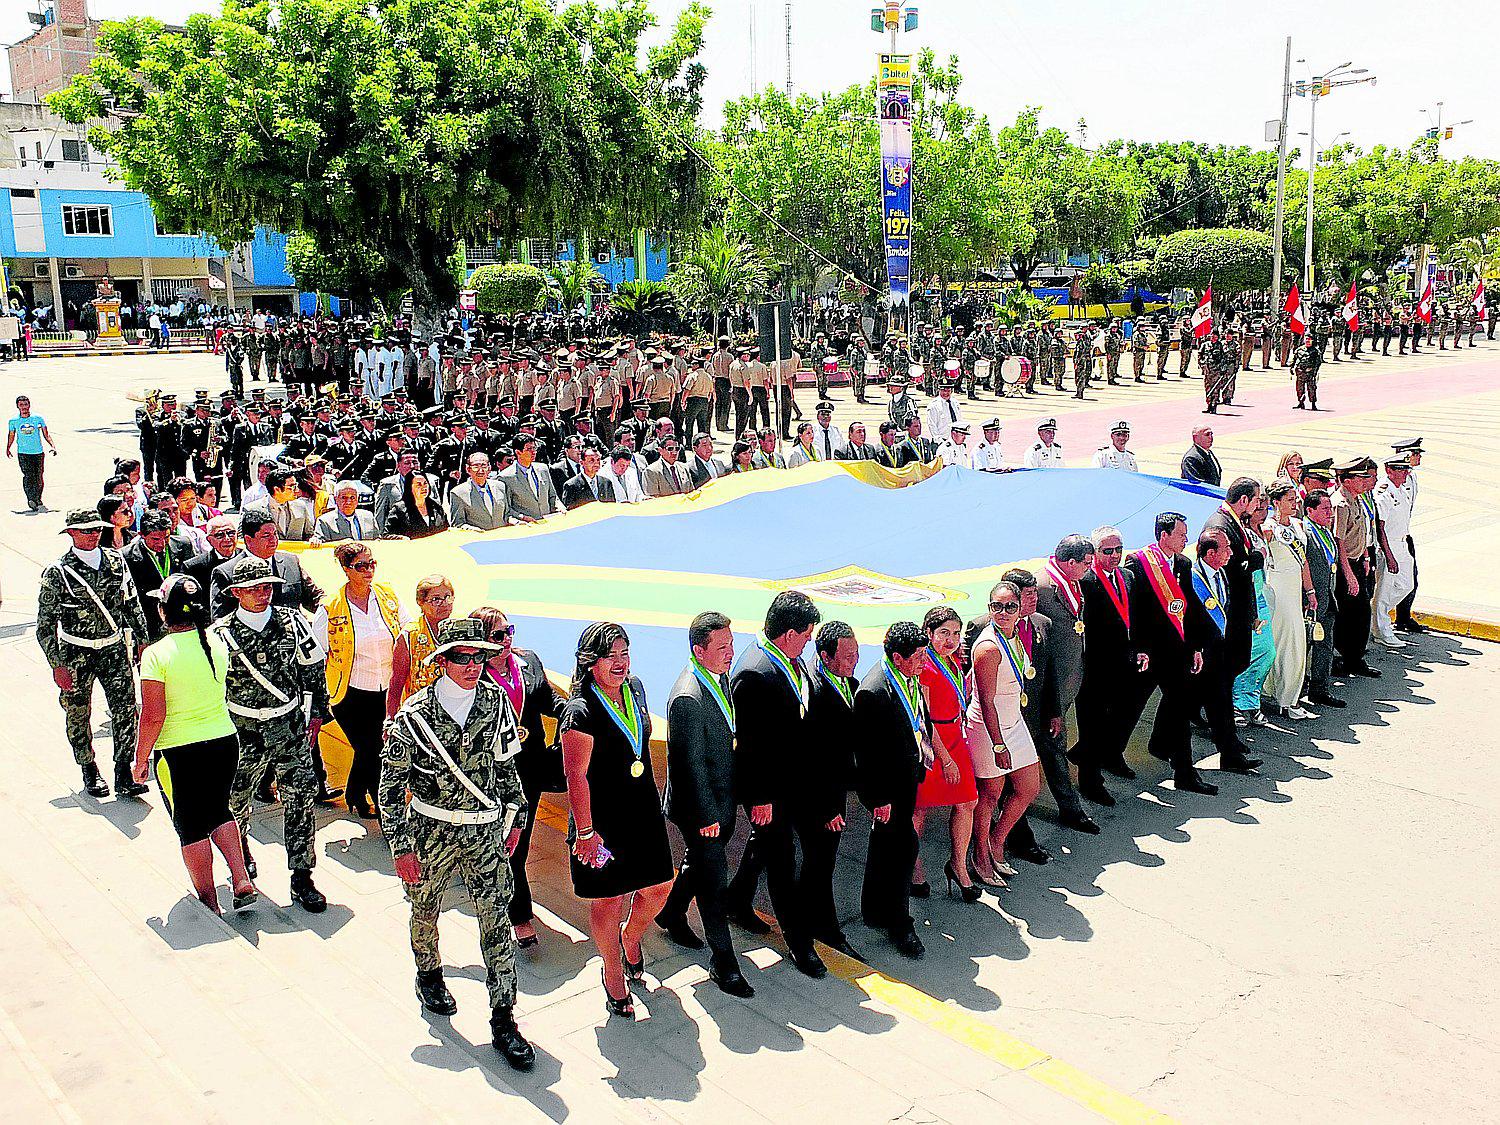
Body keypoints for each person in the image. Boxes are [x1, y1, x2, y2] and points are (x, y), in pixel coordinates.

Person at [380, 618, 534, 1070]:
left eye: (480, 657)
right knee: (424, 908)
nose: (473, 665)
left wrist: (517, 818)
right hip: (430, 831)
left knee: (495, 919)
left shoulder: (497, 704)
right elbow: (391, 788)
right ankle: (429, 973)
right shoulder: (413, 717)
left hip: (484, 831)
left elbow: (507, 769)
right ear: (443, 661)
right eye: (462, 657)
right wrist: (401, 847)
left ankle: (504, 1016)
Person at [560, 622, 676, 1018]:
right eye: (611, 656)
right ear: (590, 663)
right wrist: (587, 833)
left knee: (661, 886)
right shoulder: (580, 711)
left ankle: (632, 936)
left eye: (625, 654)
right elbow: (575, 775)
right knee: (610, 900)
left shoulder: (637, 688)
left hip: (641, 811)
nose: (621, 663)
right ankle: (612, 969)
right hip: (602, 821)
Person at [133, 574, 257, 914]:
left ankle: (210, 903)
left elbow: (153, 716)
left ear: (164, 612)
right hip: (223, 742)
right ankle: (240, 876)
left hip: (178, 751)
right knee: (219, 810)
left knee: (190, 827)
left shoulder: (156, 655)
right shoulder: (217, 642)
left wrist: (140, 758)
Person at [212, 558, 331, 912]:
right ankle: (241, 856)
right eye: (253, 589)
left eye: (267, 587)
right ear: (236, 593)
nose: (262, 594)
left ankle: (302, 874)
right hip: (242, 729)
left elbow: (313, 668)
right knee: (235, 799)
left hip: (288, 726)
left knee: (300, 798)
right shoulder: (219, 634)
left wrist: (317, 712)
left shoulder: (293, 622)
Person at [724, 592, 828, 979]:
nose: (809, 642)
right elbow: (749, 744)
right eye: (806, 635)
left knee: (765, 847)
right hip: (771, 789)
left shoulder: (788, 660)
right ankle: (800, 942)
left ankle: (734, 900)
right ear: (787, 634)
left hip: (792, 782)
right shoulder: (754, 673)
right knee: (784, 863)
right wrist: (760, 797)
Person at [655, 612, 757, 997]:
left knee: (698, 865)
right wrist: (706, 817)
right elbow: (689, 764)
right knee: (714, 879)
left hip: (722, 799)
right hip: (702, 808)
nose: (731, 653)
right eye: (723, 647)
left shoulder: (719, 677)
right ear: (699, 651)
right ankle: (723, 960)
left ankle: (671, 911)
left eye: (731, 644)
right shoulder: (687, 697)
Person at [466, 607, 564, 950]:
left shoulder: (528, 661)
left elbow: (548, 700)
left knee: (515, 842)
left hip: (530, 770)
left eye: (510, 632)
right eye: (497, 635)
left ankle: (500, 889)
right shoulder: (470, 675)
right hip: (492, 774)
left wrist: (576, 713)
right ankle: (519, 913)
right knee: (512, 848)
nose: (507, 640)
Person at [37, 508, 152, 798]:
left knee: (125, 709)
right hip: (77, 652)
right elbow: (45, 624)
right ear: (72, 534)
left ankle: (123, 771)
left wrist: (142, 641)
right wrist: (57, 665)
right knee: (78, 713)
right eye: (86, 530)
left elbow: (131, 604)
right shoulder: (58, 572)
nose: (93, 534)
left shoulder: (116, 562)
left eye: (97, 529)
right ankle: (89, 768)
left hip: (113, 649)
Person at [1117, 513, 1218, 794]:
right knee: (1129, 708)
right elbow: (1133, 610)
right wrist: (1138, 648)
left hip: (1176, 651)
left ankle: (1184, 772)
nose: (1186, 539)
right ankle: (1106, 754)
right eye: (1181, 534)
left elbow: (1191, 609)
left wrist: (1196, 646)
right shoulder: (1138, 563)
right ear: (1164, 535)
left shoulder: (1182, 563)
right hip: (1149, 653)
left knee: (1180, 708)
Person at [313, 542, 409, 818]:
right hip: (350, 693)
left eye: (372, 564)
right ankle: (384, 806)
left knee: (377, 747)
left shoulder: (387, 596)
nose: (369, 570)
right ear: (346, 569)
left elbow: (406, 631)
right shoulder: (331, 607)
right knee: (371, 748)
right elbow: (317, 651)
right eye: (361, 566)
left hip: (387, 690)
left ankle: (355, 790)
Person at [853, 622, 931, 959]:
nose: (923, 663)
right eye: (917, 657)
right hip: (888, 788)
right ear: (897, 657)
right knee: (903, 849)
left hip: (907, 777)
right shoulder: (874, 691)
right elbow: (866, 753)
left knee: (885, 844)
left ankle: (873, 908)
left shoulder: (908, 679)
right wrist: (877, 798)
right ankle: (900, 922)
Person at [966, 583, 1044, 887]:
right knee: (990, 795)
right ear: (989, 608)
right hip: (989, 729)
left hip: (1013, 721)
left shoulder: (1015, 635)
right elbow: (986, 700)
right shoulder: (988, 647)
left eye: (1009, 607)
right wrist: (998, 743)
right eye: (996, 607)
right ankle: (981, 855)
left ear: (1020, 607)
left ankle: (997, 842)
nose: (1002, 613)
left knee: (1028, 787)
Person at [795, 619, 861, 956]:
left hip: (836, 787)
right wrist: (828, 808)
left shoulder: (849, 682)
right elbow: (814, 758)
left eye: (856, 653)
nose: (854, 660)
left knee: (819, 860)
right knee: (819, 862)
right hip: (819, 796)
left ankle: (739, 896)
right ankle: (822, 927)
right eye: (847, 655)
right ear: (825, 655)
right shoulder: (816, 691)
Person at [1073, 526, 1147, 806]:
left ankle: (1112, 757)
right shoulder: (1087, 582)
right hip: (1094, 667)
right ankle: (1090, 781)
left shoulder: (1127, 576)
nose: (1115, 555)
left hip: (1123, 662)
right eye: (1107, 551)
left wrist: (1139, 648)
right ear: (1094, 554)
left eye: (1119, 549)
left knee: (1118, 717)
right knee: (1091, 725)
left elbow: (1134, 616)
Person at [913, 607, 980, 901]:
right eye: (944, 633)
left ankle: (958, 865)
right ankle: (914, 870)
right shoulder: (924, 667)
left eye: (955, 633)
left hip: (955, 735)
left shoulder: (952, 660)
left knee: (968, 800)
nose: (951, 640)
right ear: (929, 633)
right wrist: (947, 759)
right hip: (933, 741)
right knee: (919, 809)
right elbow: (925, 719)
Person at [1034, 535, 1098, 834]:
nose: (1091, 568)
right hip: (1048, 687)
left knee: (1049, 745)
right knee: (1054, 745)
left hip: (1069, 680)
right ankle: (1070, 808)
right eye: (1086, 563)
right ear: (1069, 562)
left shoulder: (1073, 582)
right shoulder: (1043, 588)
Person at [1261, 481, 1315, 720]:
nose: (1295, 503)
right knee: (1287, 643)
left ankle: (1287, 696)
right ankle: (1285, 699)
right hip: (1278, 590)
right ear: (1276, 502)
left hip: (1295, 591)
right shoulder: (1268, 529)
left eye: (1295, 499)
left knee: (1296, 644)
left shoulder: (1298, 525)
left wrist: (1310, 591)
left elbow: (1303, 562)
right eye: (1290, 499)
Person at [209, 509, 323, 619]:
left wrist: (330, 606)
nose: (273, 540)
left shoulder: (291, 562)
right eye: (266, 536)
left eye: (275, 534)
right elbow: (220, 618)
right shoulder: (227, 572)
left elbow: (315, 598)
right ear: (248, 540)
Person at [1329, 460, 1380, 678]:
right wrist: (1349, 574)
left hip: (1359, 561)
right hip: (1345, 565)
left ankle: (1354, 658)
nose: (1365, 482)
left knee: (1360, 612)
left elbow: (1361, 532)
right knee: (1351, 614)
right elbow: (1338, 540)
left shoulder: (1356, 499)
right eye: (1361, 478)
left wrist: (1366, 556)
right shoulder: (1340, 504)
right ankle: (1348, 658)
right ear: (1348, 481)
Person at [1231, 496, 1278, 726]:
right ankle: (1237, 702)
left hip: (1262, 595)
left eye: (1266, 507)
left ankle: (1251, 699)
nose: (1263, 511)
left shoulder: (1265, 532)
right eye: (1258, 507)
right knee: (1246, 652)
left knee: (1267, 651)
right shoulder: (1242, 533)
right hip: (1248, 597)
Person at [386, 575, 455, 718]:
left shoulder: (460, 629)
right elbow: (396, 684)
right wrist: (390, 719)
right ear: (420, 602)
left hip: (454, 712)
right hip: (419, 716)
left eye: (447, 597)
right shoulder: (409, 636)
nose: (444, 604)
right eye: (436, 599)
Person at [1302, 490, 1344, 709]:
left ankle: (1320, 689)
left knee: (1325, 645)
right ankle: (1298, 690)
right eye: (1325, 509)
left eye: (1330, 508)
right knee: (1305, 645)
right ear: (1310, 511)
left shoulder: (1325, 530)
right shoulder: (1305, 533)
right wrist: (1308, 594)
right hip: (1311, 600)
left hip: (1328, 597)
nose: (1330, 513)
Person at [123, 510, 191, 640]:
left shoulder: (184, 545)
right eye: (155, 539)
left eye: (166, 537)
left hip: (182, 622)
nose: (162, 544)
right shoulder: (127, 556)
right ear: (141, 535)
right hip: (150, 624)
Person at [1371, 455, 1415, 649]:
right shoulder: (1384, 491)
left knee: (1407, 585)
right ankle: (1381, 631)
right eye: (1401, 469)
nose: (1405, 472)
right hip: (1389, 545)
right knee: (1385, 589)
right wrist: (1388, 555)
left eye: (1406, 469)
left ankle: (1376, 616)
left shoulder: (1401, 488)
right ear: (1389, 470)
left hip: (1402, 542)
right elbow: (1380, 526)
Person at [7, 394, 57, 510]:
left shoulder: (38, 418)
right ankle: (31, 498)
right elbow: (11, 435)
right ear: (17, 407)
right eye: (21, 405)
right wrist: (8, 447)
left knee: (38, 477)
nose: (24, 407)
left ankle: (38, 498)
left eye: (25, 404)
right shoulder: (13, 421)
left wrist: (53, 446)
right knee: (28, 476)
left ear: (29, 405)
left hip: (38, 452)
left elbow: (46, 434)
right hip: (23, 453)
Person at [498, 436, 563, 520]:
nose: (533, 452)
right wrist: (522, 517)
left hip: (548, 522)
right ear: (518, 452)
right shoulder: (505, 477)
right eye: (529, 449)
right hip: (527, 526)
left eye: (534, 448)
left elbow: (553, 496)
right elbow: (507, 508)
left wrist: (560, 507)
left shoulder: (543, 469)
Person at [447, 452, 509, 530]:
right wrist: (472, 529)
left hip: (501, 538)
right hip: (477, 539)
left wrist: (517, 520)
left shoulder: (500, 486)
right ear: (468, 469)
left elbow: (507, 514)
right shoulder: (458, 493)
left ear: (489, 468)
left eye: (484, 466)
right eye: (476, 466)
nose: (480, 470)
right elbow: (458, 524)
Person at [385, 471, 449, 539]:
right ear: (410, 487)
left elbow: (446, 529)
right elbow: (386, 535)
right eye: (419, 485)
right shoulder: (399, 509)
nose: (423, 487)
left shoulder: (436, 506)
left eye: (425, 483)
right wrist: (402, 538)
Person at [313, 480, 378, 543]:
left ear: (357, 499)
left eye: (352, 497)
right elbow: (321, 546)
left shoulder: (369, 517)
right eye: (344, 497)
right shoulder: (324, 521)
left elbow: (377, 540)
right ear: (336, 499)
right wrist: (316, 541)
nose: (348, 502)